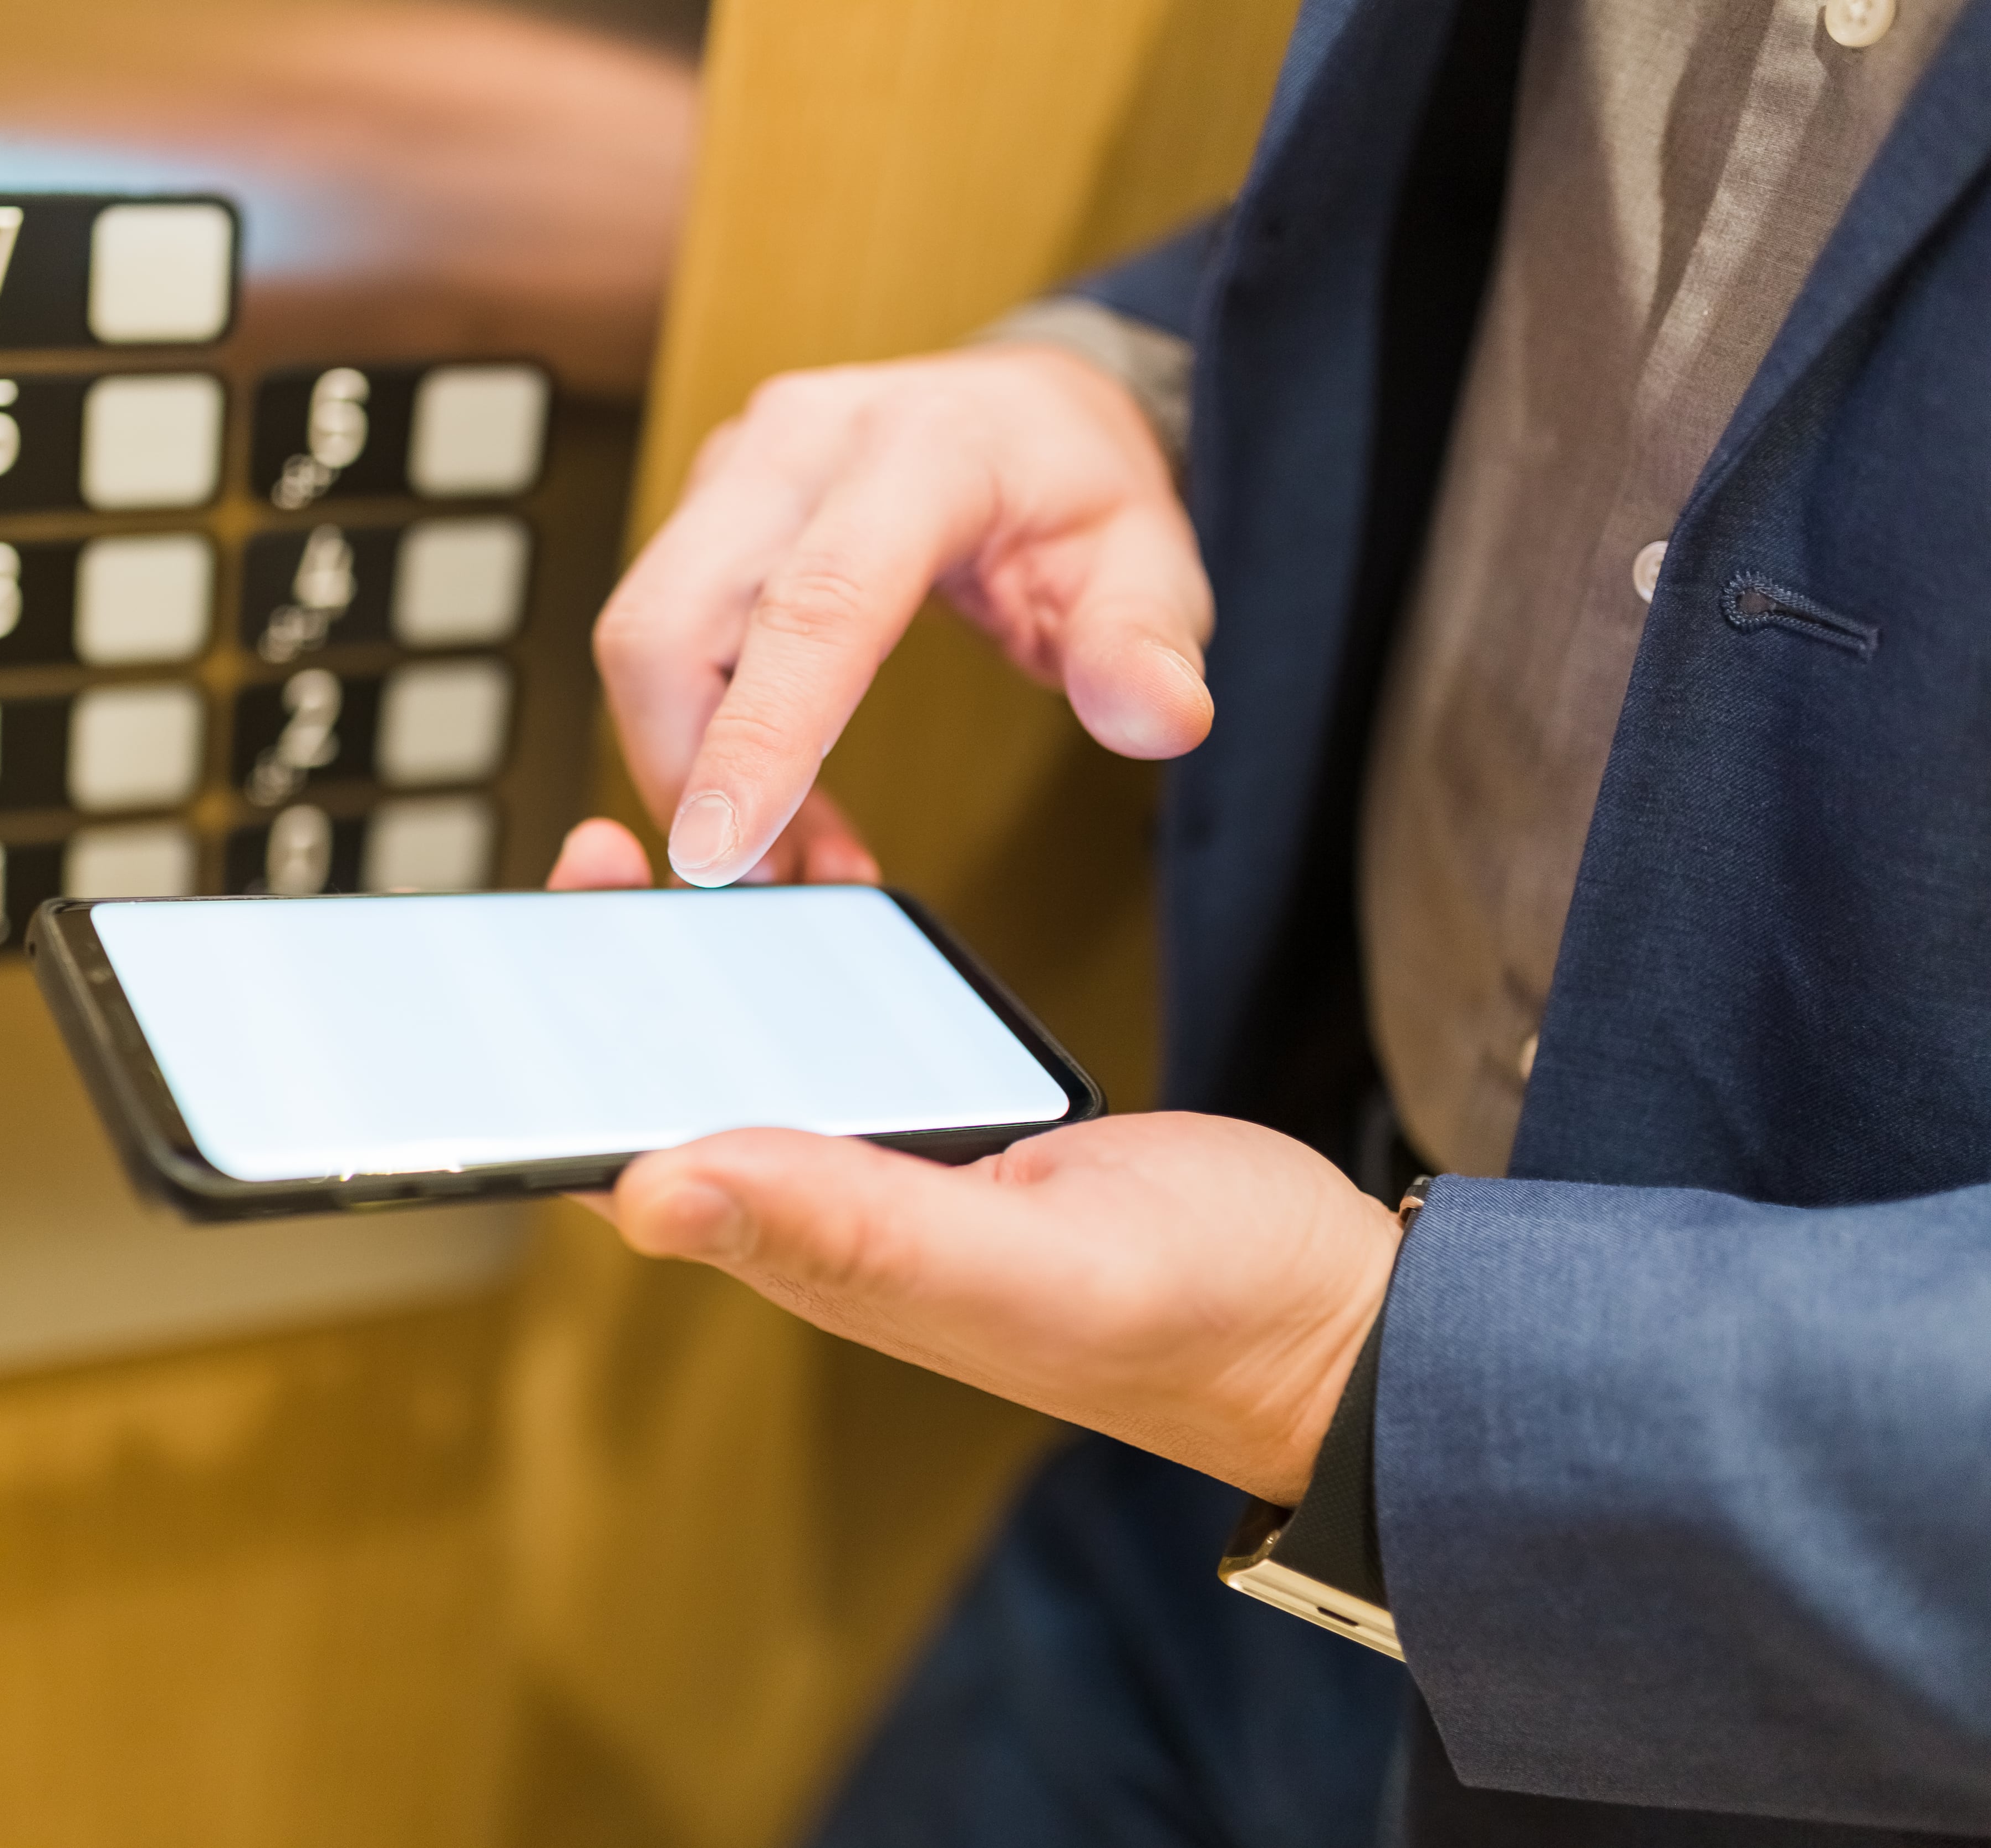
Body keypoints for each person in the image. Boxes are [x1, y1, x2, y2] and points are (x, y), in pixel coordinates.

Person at [547, 0, 1991, 1840]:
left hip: (1805, 1701)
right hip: (1247, 1325)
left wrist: (1352, 1366)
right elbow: (1620, 238)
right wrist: (1126, 378)